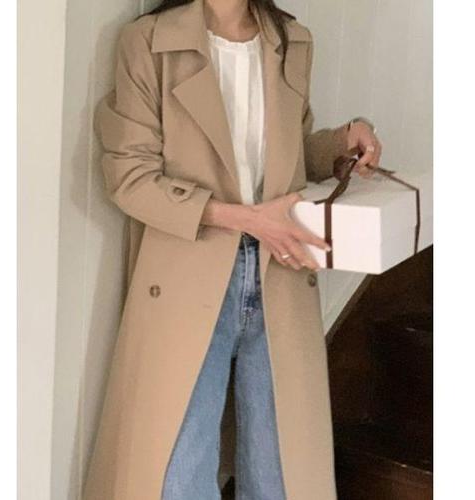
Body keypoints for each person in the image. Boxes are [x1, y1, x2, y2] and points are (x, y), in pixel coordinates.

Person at [84, 1, 382, 499]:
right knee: (177, 476)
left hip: (279, 271)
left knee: (281, 476)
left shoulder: (291, 40)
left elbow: (288, 156)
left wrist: (341, 143)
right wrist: (246, 219)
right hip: (189, 272)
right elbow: (130, 178)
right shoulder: (150, 41)